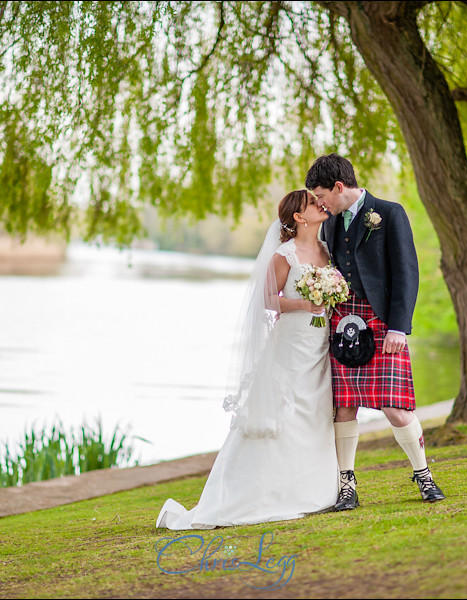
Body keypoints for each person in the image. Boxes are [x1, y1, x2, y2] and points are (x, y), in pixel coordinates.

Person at [156, 190, 339, 530]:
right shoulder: (285, 255)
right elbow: (267, 300)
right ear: (299, 217)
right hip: (290, 346)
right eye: (312, 204)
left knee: (313, 412)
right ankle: (256, 495)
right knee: (283, 412)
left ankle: (313, 491)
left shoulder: (327, 250)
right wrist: (304, 305)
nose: (320, 205)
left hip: (319, 345)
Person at [306, 153, 446, 510]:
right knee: (345, 407)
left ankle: (424, 475)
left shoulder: (390, 213)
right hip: (344, 320)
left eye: (321, 196)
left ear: (339, 187)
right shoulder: (331, 224)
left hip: (383, 321)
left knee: (395, 407)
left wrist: (399, 326)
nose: (319, 204)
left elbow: (406, 272)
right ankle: (346, 485)